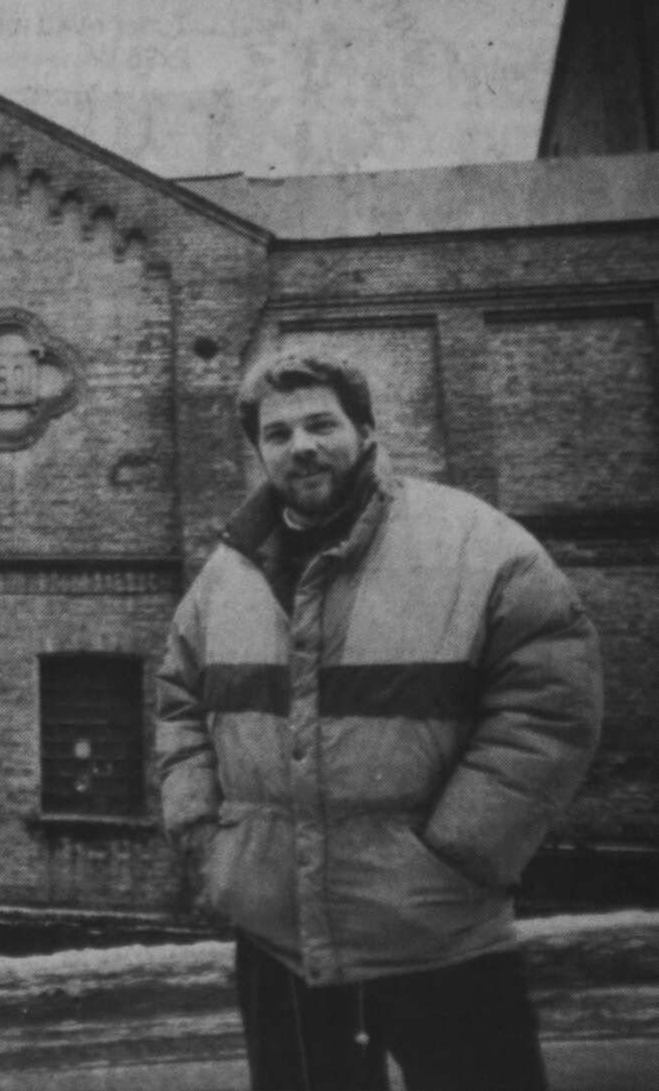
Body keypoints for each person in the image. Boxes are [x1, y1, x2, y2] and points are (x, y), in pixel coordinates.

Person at [155, 350, 602, 1091]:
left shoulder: (474, 544)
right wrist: (207, 835)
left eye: (320, 424)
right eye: (277, 433)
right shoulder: (229, 573)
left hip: (440, 933)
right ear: (259, 451)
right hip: (281, 942)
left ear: (364, 430)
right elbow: (179, 699)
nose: (300, 445)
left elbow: (549, 705)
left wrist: (455, 852)